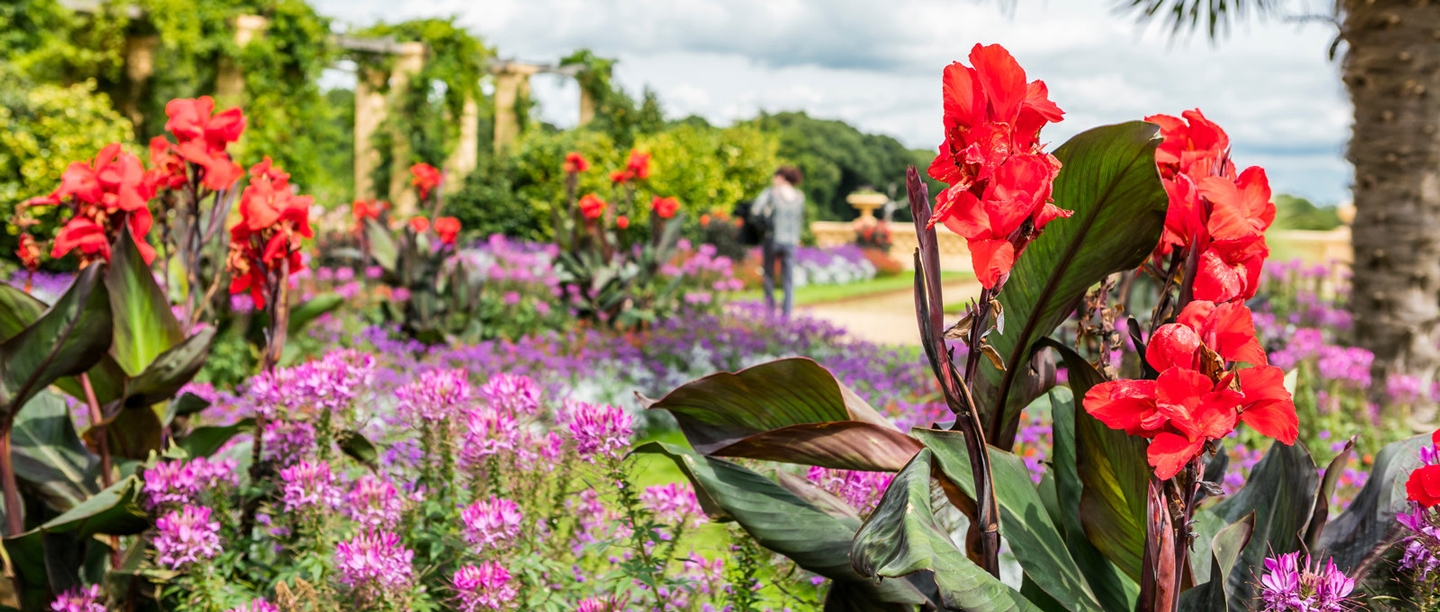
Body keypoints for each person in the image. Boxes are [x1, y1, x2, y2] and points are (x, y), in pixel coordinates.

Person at [754, 166, 805, 318]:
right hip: (791, 241)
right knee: (788, 279)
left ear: (781, 177)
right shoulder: (799, 196)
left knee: (768, 275)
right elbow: (799, 219)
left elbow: (756, 209)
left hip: (773, 238)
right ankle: (787, 313)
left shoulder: (772, 193)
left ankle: (769, 311)